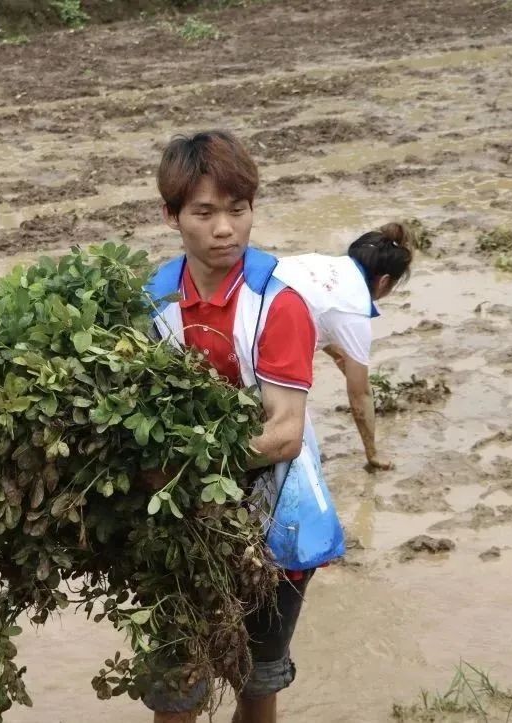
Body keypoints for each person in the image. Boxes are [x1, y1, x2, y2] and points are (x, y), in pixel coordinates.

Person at [143, 130, 345, 723]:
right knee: (176, 686)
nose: (225, 230)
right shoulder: (152, 302)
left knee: (258, 680)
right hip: (184, 525)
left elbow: (283, 435)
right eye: (204, 213)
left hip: (274, 515)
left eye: (238, 210)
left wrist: (183, 467)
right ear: (172, 216)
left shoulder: (279, 304)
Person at [274, 224, 415, 472]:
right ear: (384, 282)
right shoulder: (354, 310)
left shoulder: (323, 263)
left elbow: (316, 310)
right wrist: (372, 453)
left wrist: (335, 351)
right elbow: (360, 395)